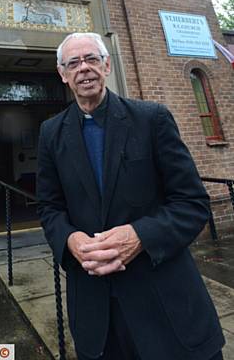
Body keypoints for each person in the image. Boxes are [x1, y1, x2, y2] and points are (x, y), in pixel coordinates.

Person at [37, 32, 225, 360]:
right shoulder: (50, 133)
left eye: (92, 59)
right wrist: (70, 240)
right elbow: (50, 207)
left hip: (167, 307)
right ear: (62, 74)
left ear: (107, 65)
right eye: (74, 63)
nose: (84, 68)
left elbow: (192, 203)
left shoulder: (151, 119)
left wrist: (139, 235)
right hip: (97, 316)